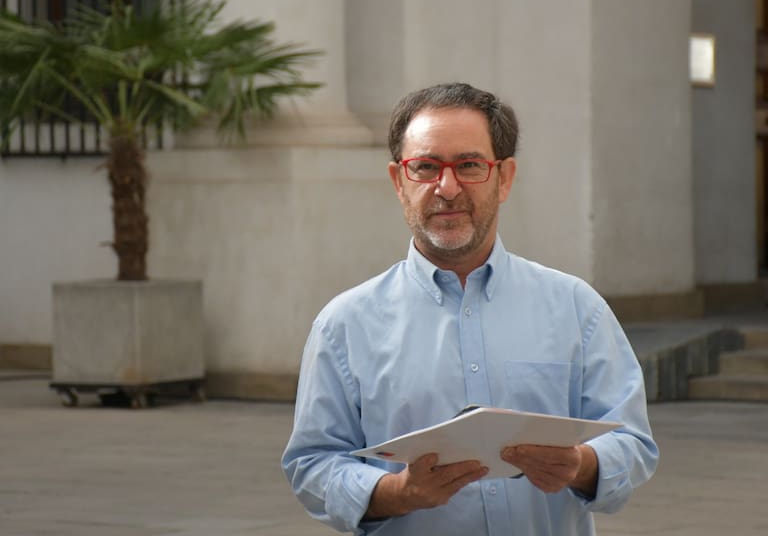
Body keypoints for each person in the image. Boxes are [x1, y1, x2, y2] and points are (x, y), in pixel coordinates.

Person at [282, 82, 658, 535]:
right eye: (425, 167)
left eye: (469, 165)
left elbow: (631, 441)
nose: (447, 187)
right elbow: (313, 464)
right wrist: (396, 493)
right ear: (399, 181)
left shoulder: (577, 308)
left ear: (505, 178)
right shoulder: (343, 325)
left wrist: (582, 464)